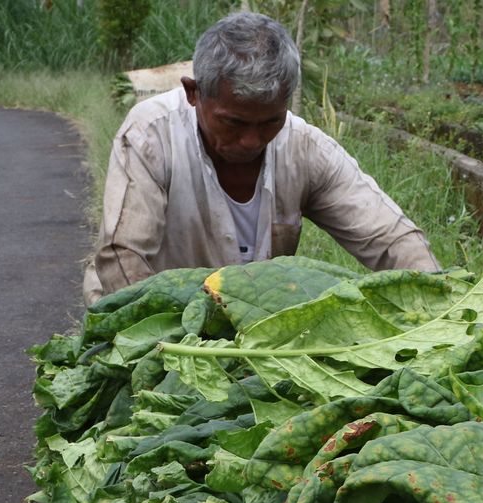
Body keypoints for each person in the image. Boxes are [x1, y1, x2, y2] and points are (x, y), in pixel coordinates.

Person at [83, 11, 438, 303]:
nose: (251, 140)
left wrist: (440, 303)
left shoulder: (304, 148)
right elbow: (123, 257)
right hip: (150, 322)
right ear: (194, 93)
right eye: (233, 122)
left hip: (250, 330)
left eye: (270, 121)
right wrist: (176, 335)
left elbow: (391, 239)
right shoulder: (151, 134)